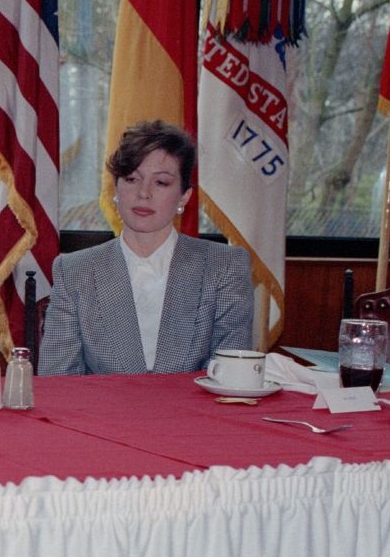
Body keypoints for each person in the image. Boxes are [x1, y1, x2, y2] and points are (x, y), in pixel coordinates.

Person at [38, 120, 252, 375]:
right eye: (131, 179)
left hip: (192, 414)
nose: (143, 193)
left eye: (161, 182)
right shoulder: (74, 270)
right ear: (115, 189)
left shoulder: (225, 266)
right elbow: (59, 380)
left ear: (184, 196)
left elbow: (230, 377)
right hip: (101, 414)